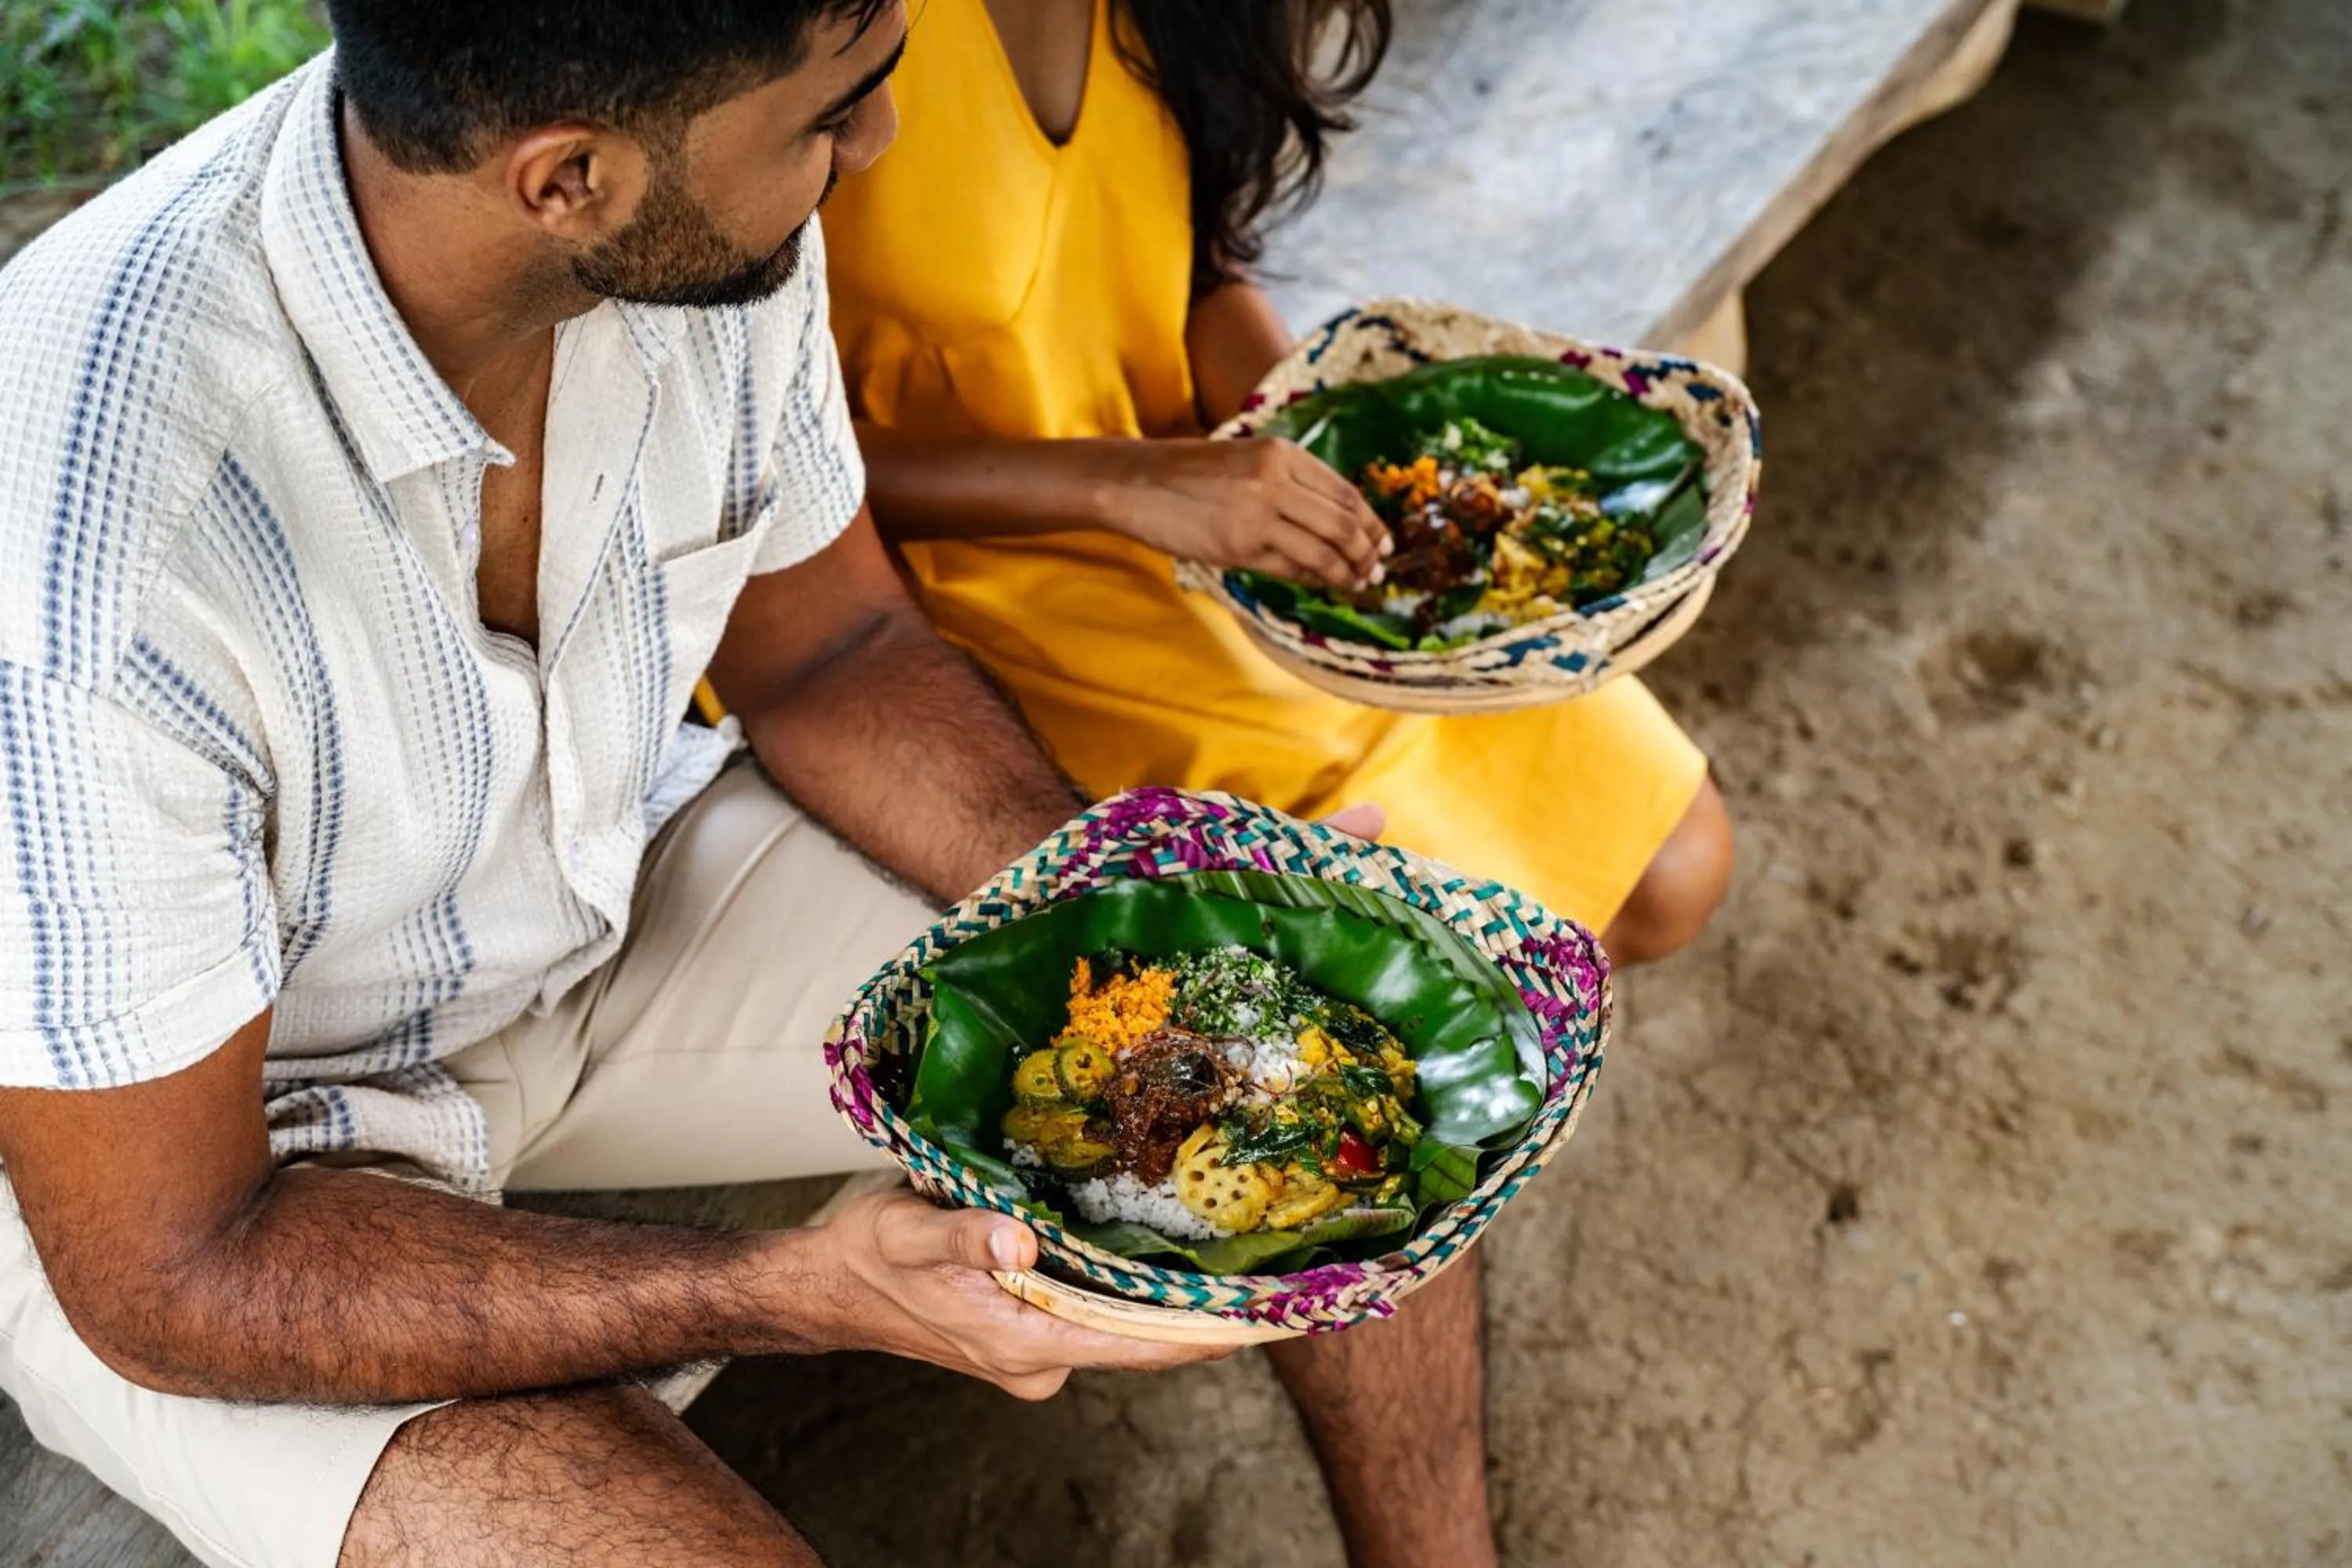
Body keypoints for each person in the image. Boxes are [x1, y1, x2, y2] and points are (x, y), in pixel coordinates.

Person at [0, 4, 1348, 1564]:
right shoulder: (86, 561)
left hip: (599, 891)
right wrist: (795, 1293)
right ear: (567, 179)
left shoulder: (693, 212)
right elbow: (178, 1272)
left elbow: (832, 651)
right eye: (833, 119)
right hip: (211, 1162)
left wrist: (1134, 914)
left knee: (1300, 1005)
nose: (878, 145)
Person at [815, 4, 1740, 1561]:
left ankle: (1357, 1248)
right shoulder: (835, 46)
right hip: (959, 596)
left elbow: (1194, 271)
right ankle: (1357, 1324)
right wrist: (1131, 487)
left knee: (1675, 869)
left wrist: (1306, 446)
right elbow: (759, 475)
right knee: (1380, 1027)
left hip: (1199, 522)